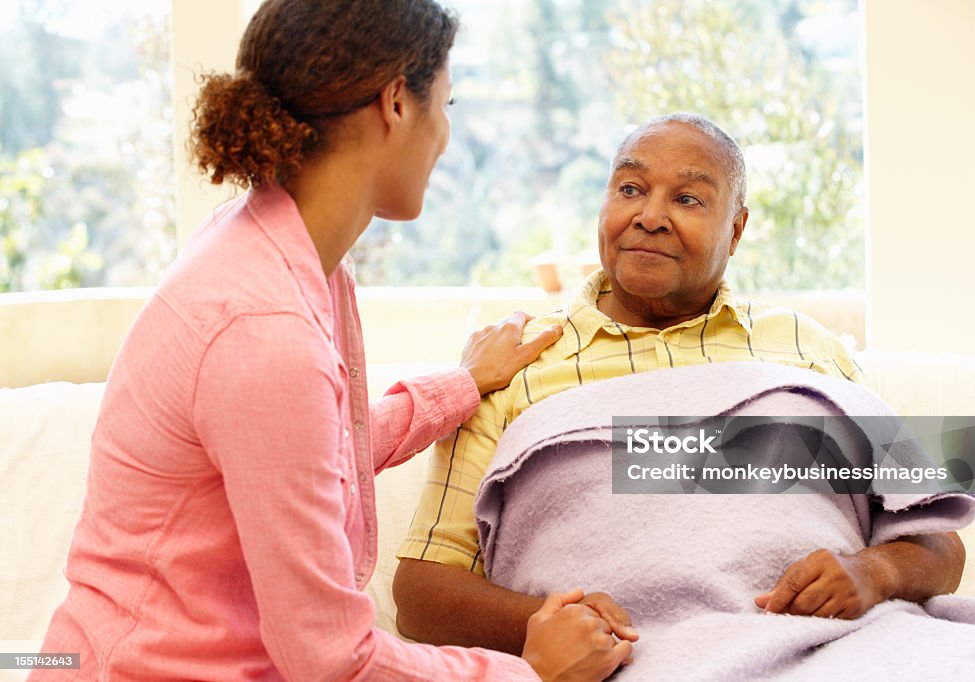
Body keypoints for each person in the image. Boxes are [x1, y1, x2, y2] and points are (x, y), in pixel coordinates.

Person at [30, 2, 633, 680]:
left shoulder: (281, 248)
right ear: (396, 104)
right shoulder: (263, 331)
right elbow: (333, 661)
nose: (447, 134)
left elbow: (311, 456)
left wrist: (461, 386)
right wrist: (531, 672)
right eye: (446, 102)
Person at [393, 113, 966, 654]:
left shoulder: (806, 348)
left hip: (824, 647)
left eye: (688, 199)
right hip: (612, 662)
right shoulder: (512, 364)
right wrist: (547, 621)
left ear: (736, 230)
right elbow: (420, 591)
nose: (649, 216)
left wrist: (875, 571)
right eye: (630, 189)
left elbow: (939, 540)